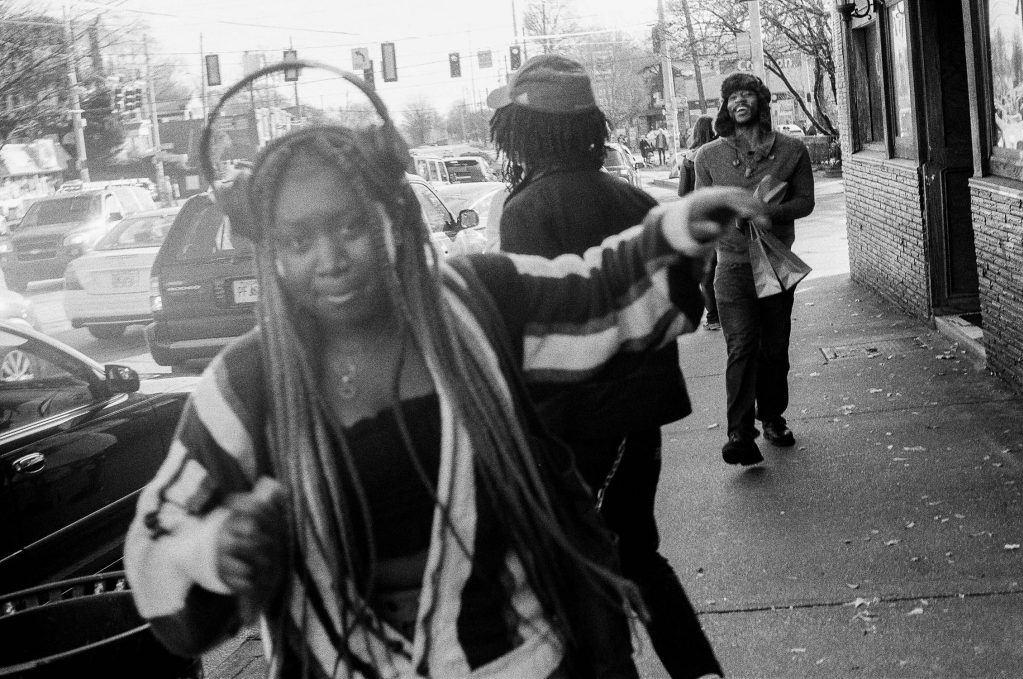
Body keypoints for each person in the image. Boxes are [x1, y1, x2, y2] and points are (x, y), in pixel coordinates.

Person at [124, 61, 766, 679]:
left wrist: (677, 227)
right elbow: (159, 539)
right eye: (298, 240)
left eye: (350, 227)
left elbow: (594, 295)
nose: (329, 258)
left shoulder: (478, 301)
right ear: (270, 251)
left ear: (391, 216)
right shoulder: (244, 387)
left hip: (534, 660)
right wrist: (211, 549)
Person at [488, 53, 723, 679]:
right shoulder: (633, 198)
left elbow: (538, 333)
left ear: (522, 131)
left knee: (570, 563)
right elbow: (686, 308)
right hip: (638, 414)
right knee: (637, 553)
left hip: (570, 424)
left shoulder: (526, 209)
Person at [693, 72, 815, 466]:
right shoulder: (708, 156)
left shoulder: (792, 150)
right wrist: (731, 217)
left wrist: (767, 212)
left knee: (774, 349)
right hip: (732, 267)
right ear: (725, 107)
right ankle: (739, 433)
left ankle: (773, 418)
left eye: (747, 95)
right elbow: (703, 210)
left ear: (761, 104)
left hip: (776, 265)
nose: (739, 102)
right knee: (742, 346)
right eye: (732, 97)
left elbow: (805, 202)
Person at [678, 115, 720, 331]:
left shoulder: (689, 159)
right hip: (723, 216)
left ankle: (713, 317)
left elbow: (682, 193)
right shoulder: (719, 152)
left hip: (699, 221)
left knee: (708, 271)